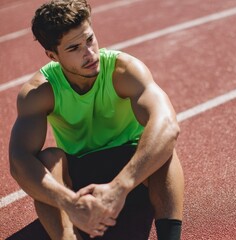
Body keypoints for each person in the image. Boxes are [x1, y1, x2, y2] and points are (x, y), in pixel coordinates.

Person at [8, 0, 184, 239]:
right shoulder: (40, 91)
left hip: (133, 173)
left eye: (89, 40)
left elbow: (168, 125)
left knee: (163, 148)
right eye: (74, 49)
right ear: (52, 55)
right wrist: (69, 202)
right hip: (80, 183)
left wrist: (118, 187)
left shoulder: (123, 71)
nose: (89, 53)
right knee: (49, 159)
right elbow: (19, 161)